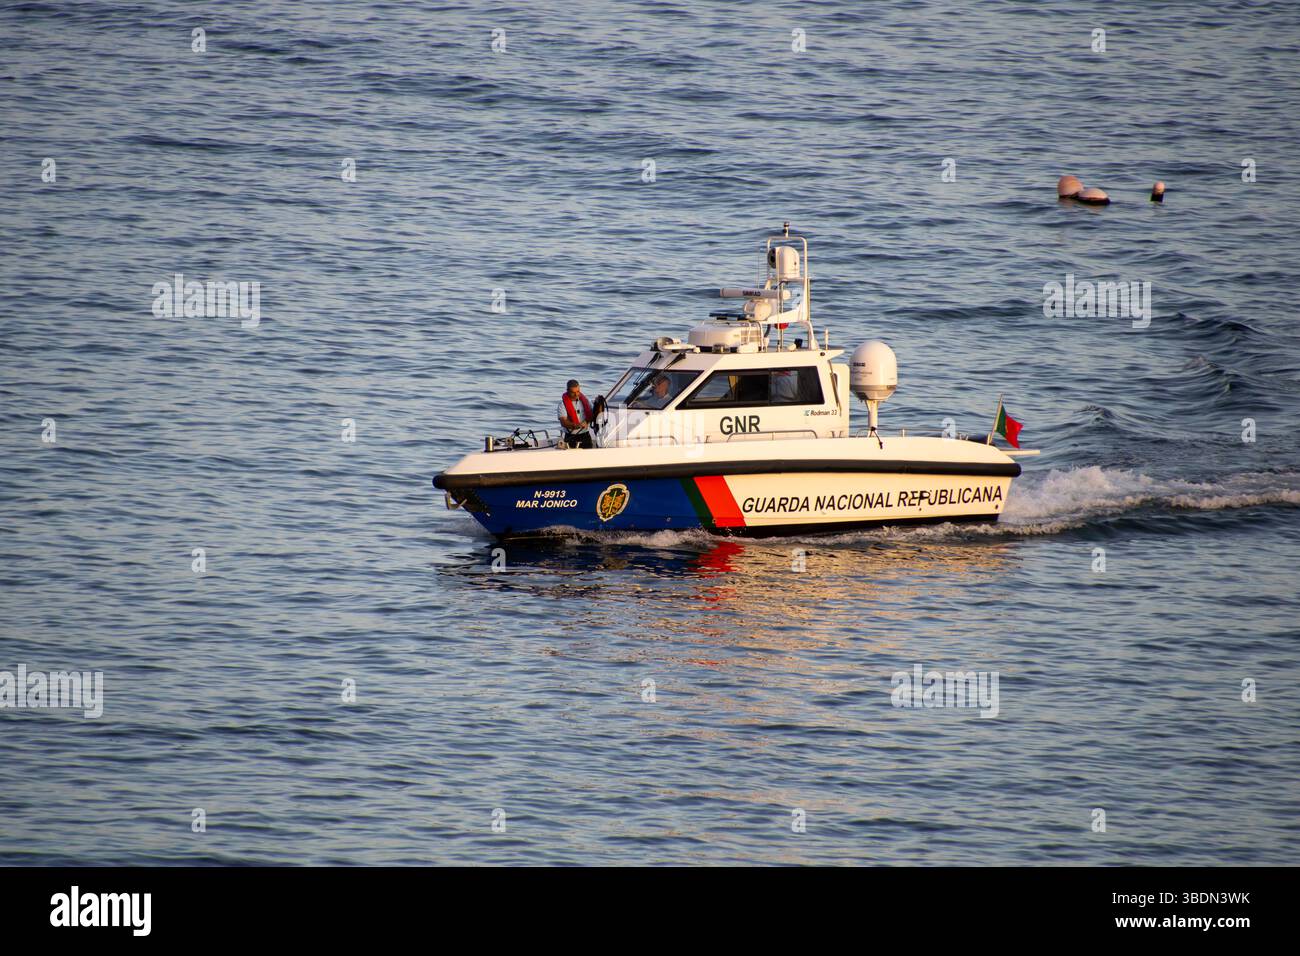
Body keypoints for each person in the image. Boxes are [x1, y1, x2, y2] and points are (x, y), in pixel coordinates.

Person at [557, 379, 593, 448]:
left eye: (578, 391)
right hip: (570, 437)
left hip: (585, 436)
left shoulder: (586, 401)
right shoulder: (562, 405)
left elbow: (592, 415)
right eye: (573, 392)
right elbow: (563, 422)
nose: (576, 394)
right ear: (567, 391)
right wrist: (576, 425)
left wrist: (586, 421)